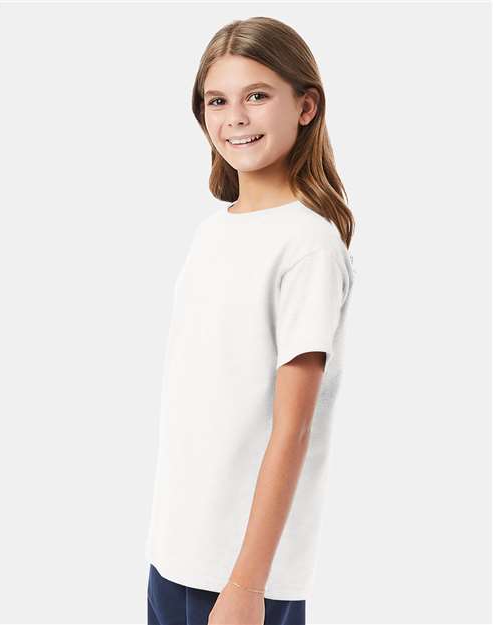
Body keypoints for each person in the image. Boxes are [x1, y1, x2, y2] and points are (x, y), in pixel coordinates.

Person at [145, 15, 356, 625]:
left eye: (257, 96)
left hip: (241, 576)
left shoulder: (308, 246)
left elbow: (293, 429)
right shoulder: (214, 231)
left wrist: (245, 585)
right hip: (175, 555)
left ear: (306, 106)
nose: (235, 117)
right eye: (217, 100)